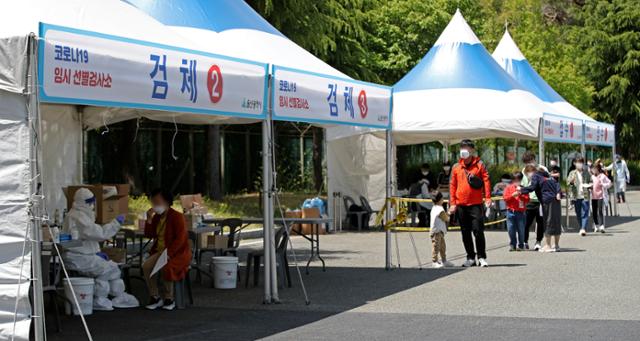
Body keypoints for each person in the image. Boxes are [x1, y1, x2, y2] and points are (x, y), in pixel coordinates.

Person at [62, 188, 139, 311]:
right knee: (109, 270)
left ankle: (115, 297)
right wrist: (116, 223)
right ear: (84, 202)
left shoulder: (75, 214)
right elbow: (99, 234)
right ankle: (102, 299)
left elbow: (83, 239)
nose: (92, 205)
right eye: (90, 202)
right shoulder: (79, 217)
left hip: (81, 255)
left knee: (111, 268)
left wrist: (96, 253)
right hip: (78, 258)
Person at [143, 188, 192, 311]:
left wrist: (169, 253)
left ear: (167, 202)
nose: (155, 206)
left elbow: (180, 239)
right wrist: (148, 219)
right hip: (159, 251)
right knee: (146, 266)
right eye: (153, 203)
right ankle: (154, 296)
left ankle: (169, 297)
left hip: (177, 253)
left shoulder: (177, 217)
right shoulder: (156, 218)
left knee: (167, 266)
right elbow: (150, 235)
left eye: (157, 202)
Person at [449, 139, 492, 267]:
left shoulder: (480, 164)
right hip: (461, 205)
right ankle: (470, 257)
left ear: (472, 150)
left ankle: (482, 257)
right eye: (462, 147)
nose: (464, 150)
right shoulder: (456, 167)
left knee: (478, 230)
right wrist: (452, 203)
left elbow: (486, 180)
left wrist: (488, 197)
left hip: (476, 204)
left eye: (467, 148)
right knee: (465, 232)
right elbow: (452, 184)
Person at [518, 164, 551, 250]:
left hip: (540, 202)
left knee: (540, 223)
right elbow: (522, 186)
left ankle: (538, 241)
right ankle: (525, 241)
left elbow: (532, 187)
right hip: (530, 202)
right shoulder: (526, 177)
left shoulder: (538, 176)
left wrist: (520, 191)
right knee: (526, 223)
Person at [503, 172, 529, 251]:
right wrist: (512, 195)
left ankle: (521, 245)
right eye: (515, 179)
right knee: (511, 229)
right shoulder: (508, 188)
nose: (516, 181)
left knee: (521, 230)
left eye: (518, 179)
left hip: (520, 212)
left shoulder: (524, 188)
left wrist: (520, 194)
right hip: (510, 211)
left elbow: (527, 199)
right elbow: (505, 198)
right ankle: (512, 245)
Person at [539, 166, 563, 252]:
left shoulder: (543, 181)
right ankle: (556, 245)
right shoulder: (555, 182)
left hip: (548, 203)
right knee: (556, 222)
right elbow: (560, 193)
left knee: (548, 222)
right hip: (555, 203)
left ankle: (548, 245)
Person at [567, 157, 592, 236]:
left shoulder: (586, 173)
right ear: (575, 163)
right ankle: (581, 226)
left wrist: (590, 185)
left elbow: (591, 181)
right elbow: (568, 183)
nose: (579, 164)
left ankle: (583, 228)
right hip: (575, 195)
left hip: (585, 195)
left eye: (581, 162)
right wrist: (571, 182)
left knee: (585, 212)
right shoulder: (572, 173)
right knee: (578, 213)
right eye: (578, 162)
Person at [429, 192, 454, 268]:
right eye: (442, 198)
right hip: (436, 232)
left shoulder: (434, 208)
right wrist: (449, 212)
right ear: (439, 200)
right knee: (436, 246)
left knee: (442, 246)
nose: (443, 200)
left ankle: (444, 260)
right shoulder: (439, 209)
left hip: (439, 231)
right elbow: (445, 218)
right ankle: (434, 261)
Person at [591, 163, 612, 233]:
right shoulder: (592, 177)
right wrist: (589, 187)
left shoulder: (602, 176)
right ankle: (596, 225)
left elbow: (610, 183)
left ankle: (602, 225)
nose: (593, 170)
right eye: (592, 169)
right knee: (594, 212)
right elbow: (590, 184)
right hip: (593, 196)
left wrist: (603, 184)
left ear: (598, 169)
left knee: (600, 210)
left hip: (600, 196)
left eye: (594, 168)